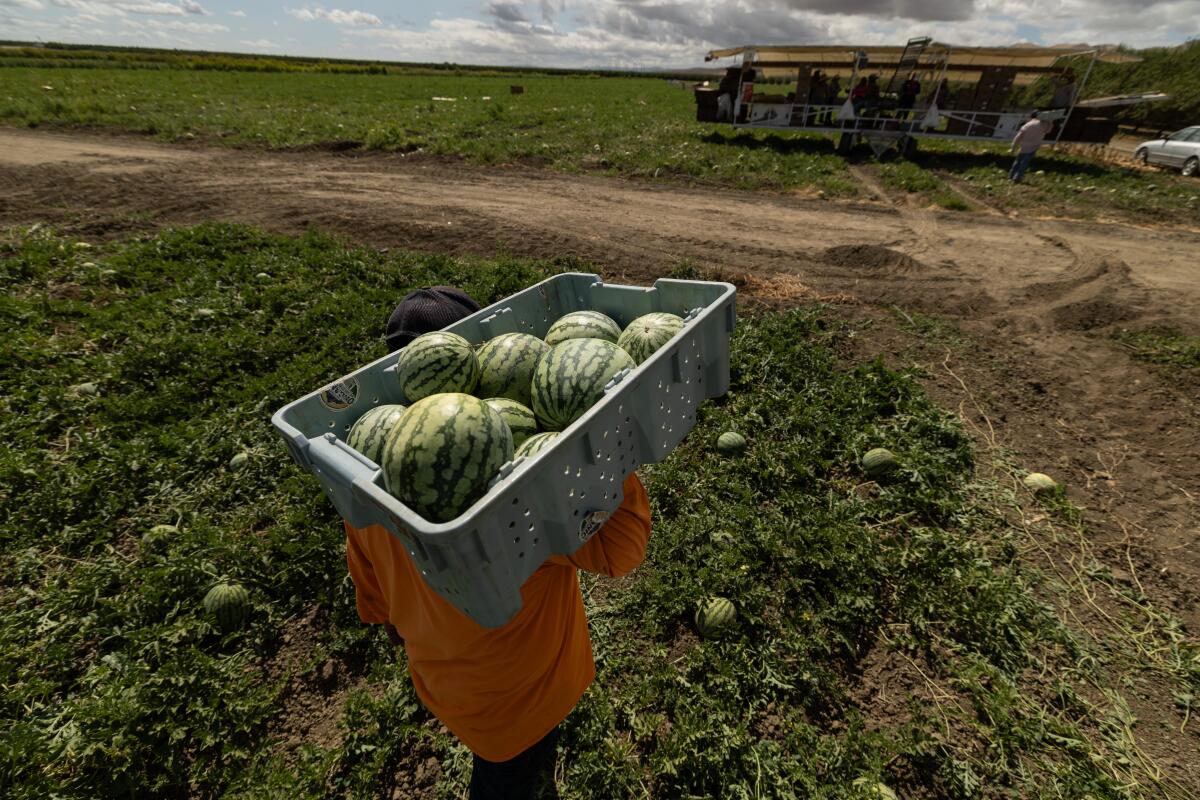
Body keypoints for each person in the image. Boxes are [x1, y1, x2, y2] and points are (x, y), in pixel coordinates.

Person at [347, 287, 654, 800]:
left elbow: (375, 598)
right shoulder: (525, 498)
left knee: (508, 770)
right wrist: (609, 452)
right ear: (476, 363)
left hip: (444, 684)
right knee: (508, 779)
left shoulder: (364, 484)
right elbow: (623, 552)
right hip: (528, 698)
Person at [1010, 110, 1053, 182]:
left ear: (1031, 116)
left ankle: (1012, 175)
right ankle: (1017, 177)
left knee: (1018, 161)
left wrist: (1013, 147)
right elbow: (1048, 131)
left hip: (1023, 146)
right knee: (1025, 162)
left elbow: (1018, 136)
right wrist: (1050, 123)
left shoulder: (1027, 125)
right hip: (1033, 146)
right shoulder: (1043, 124)